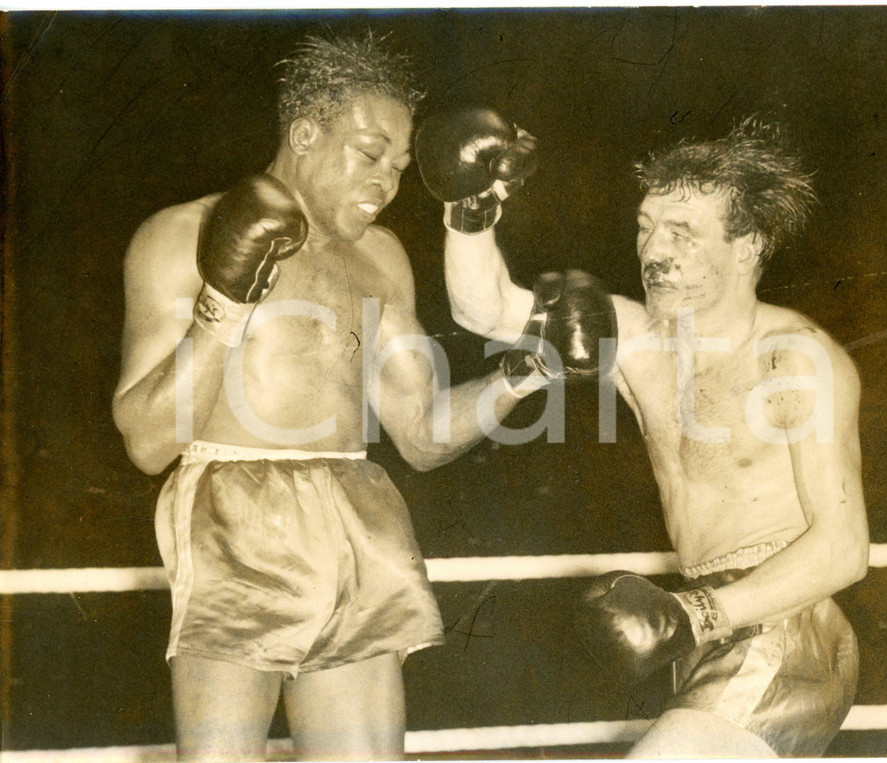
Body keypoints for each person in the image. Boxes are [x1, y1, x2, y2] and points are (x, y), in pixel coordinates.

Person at [111, 34, 614, 762]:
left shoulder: (380, 258)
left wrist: (531, 370)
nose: (386, 182)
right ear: (305, 133)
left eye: (402, 167)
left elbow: (421, 433)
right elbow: (147, 439)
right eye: (370, 153)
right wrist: (224, 299)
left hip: (357, 508)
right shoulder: (181, 234)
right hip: (230, 504)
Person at [415, 110, 869, 757]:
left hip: (784, 629)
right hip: (699, 630)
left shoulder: (794, 357)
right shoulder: (636, 338)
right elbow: (482, 308)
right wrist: (469, 204)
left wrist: (697, 614)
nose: (655, 250)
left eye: (683, 232)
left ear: (747, 246)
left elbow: (844, 546)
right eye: (647, 227)